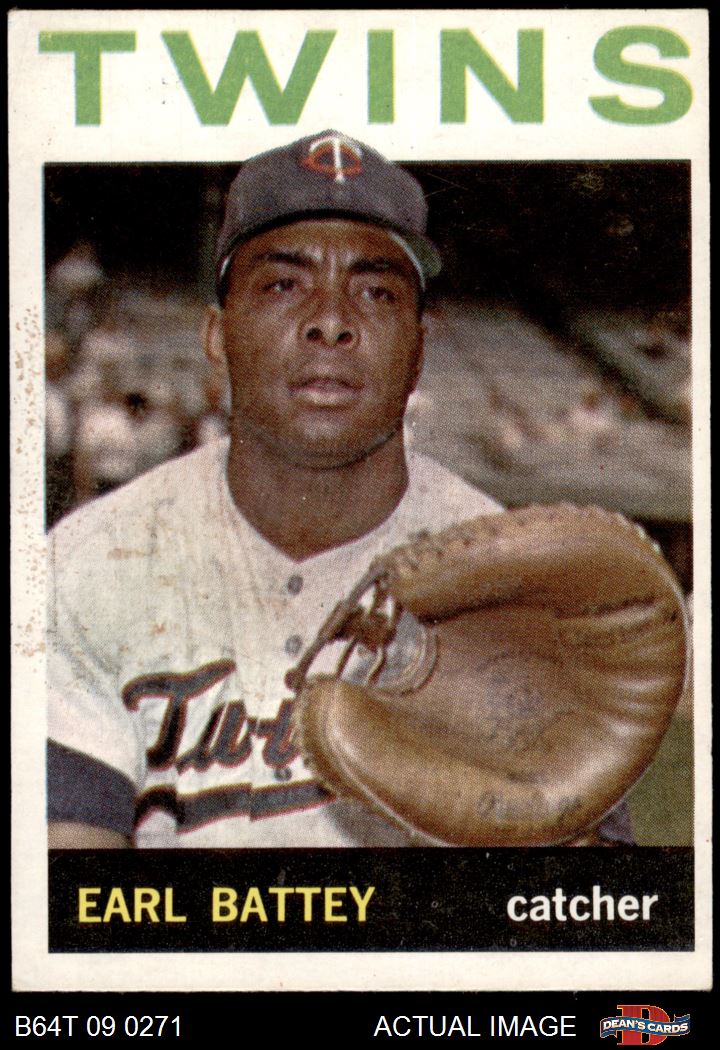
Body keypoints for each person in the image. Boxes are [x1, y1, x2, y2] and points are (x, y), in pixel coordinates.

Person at [47, 131, 631, 848]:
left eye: (376, 291)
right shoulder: (87, 563)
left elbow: (581, 901)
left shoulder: (515, 593)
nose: (330, 321)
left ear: (420, 348)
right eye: (283, 285)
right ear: (217, 336)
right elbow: (66, 883)